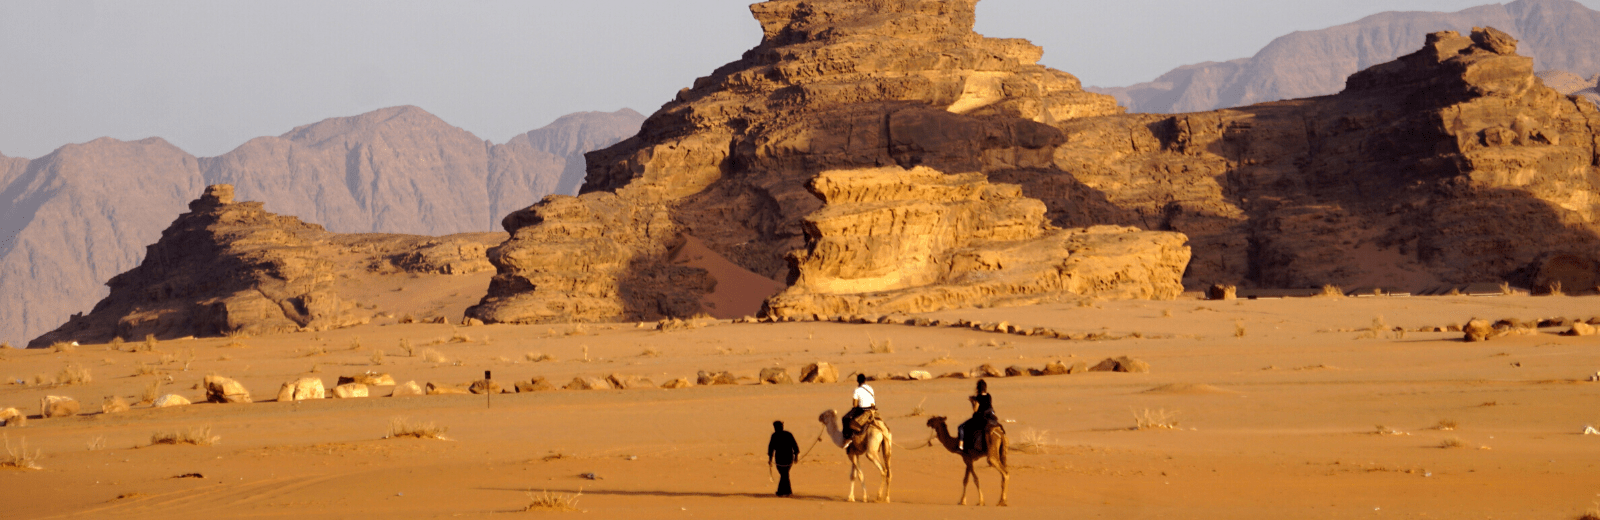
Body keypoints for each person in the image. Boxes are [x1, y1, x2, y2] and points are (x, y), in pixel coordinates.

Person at [958, 379, 997, 452]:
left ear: (978, 388)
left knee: (961, 427)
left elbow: (975, 410)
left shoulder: (979, 397)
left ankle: (960, 447)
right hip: (991, 417)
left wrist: (972, 402)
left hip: (981, 418)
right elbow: (986, 404)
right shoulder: (989, 395)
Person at [840, 373, 876, 446]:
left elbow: (855, 405)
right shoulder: (870, 388)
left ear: (857, 381)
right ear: (865, 380)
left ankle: (848, 438)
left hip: (862, 410)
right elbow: (873, 403)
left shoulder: (857, 390)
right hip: (872, 409)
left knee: (845, 419)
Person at [767, 420, 800, 496]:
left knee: (784, 474)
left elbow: (794, 446)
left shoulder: (781, 435)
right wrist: (770, 459)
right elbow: (771, 448)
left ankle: (781, 492)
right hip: (783, 457)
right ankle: (787, 491)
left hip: (785, 457)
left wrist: (796, 456)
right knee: (784, 474)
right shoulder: (779, 435)